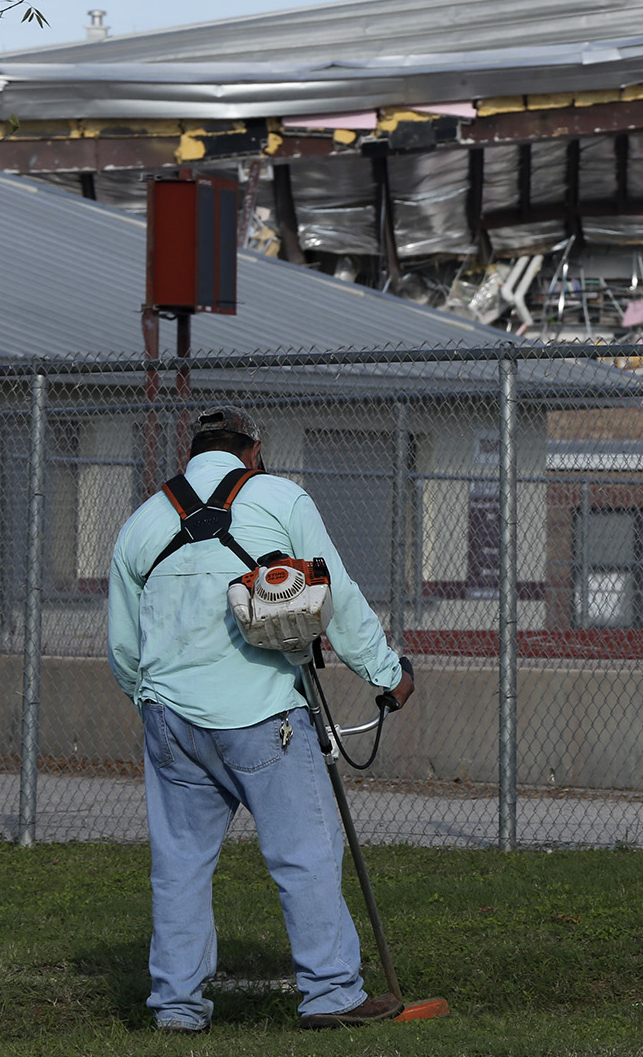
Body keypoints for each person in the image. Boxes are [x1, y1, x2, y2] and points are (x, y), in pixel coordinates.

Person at [107, 406, 415, 1033]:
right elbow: (337, 596)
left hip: (171, 721)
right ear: (252, 451)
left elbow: (122, 644)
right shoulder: (279, 497)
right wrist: (387, 674)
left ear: (192, 455)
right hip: (263, 712)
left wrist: (150, 699)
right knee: (305, 854)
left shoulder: (144, 520)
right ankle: (330, 993)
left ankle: (176, 1007)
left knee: (180, 865)